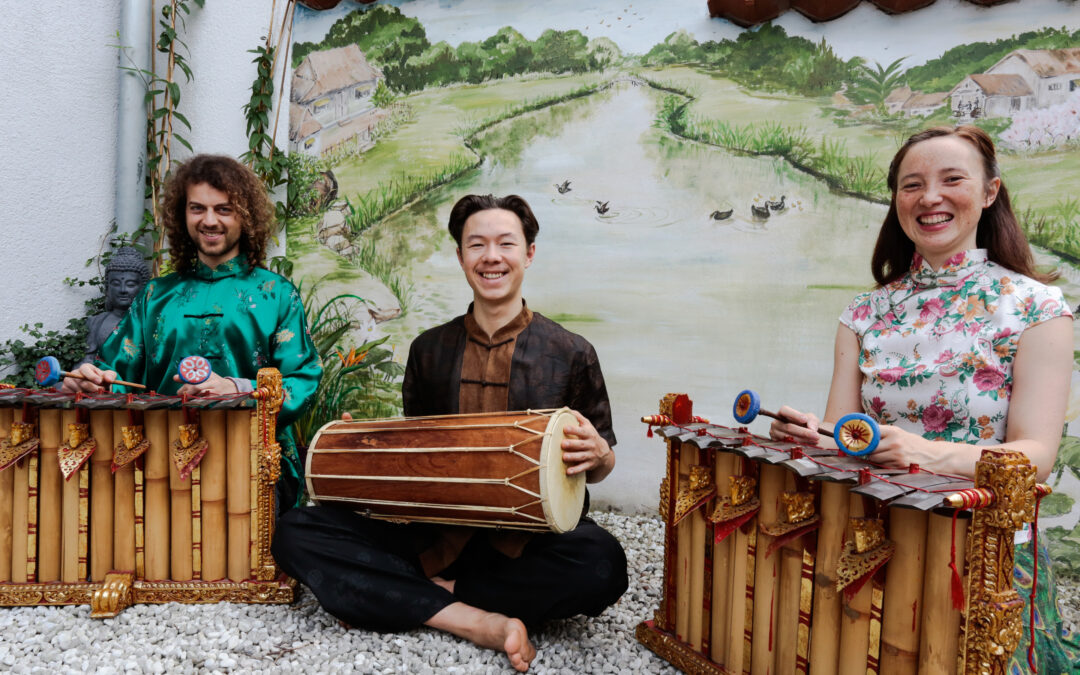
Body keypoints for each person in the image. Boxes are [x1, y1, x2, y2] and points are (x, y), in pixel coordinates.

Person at [272, 194, 628, 672]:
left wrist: (600, 456)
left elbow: (599, 465)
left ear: (529, 253)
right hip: (434, 538)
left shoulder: (571, 352)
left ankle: (434, 599)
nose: (491, 257)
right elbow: (417, 457)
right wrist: (361, 450)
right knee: (296, 532)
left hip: (526, 545)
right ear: (461, 256)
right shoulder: (428, 350)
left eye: (506, 243)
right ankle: (474, 620)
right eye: (476, 244)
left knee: (602, 562)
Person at [769, 126, 1077, 672]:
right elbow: (847, 440)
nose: (929, 197)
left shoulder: (1037, 307)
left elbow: (1035, 457)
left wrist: (925, 454)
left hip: (985, 544)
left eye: (951, 180)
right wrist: (812, 436)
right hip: (873, 531)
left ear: (989, 192)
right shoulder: (862, 313)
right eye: (912, 185)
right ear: (897, 202)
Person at [61, 154, 322, 510]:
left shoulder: (276, 295)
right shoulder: (154, 297)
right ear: (182, 215)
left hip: (254, 469)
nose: (209, 221)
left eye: (224, 209)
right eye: (197, 208)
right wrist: (93, 381)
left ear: (245, 217)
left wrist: (239, 389)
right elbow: (119, 375)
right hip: (159, 469)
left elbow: (302, 380)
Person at [79, 246, 151, 366]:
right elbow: (86, 360)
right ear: (107, 288)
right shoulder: (95, 322)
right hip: (99, 380)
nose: (123, 290)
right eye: (116, 284)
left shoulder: (149, 324)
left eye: (130, 284)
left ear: (143, 289)